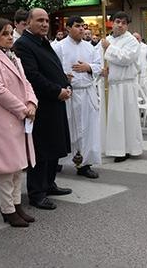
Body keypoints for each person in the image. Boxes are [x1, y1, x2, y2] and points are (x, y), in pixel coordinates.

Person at [0, 18, 38, 227]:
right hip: (2, 119)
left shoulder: (14, 57)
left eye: (11, 33)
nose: (10, 36)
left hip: (18, 117)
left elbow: (26, 82)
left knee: (17, 165)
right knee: (5, 168)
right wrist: (23, 110)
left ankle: (16, 204)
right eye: (5, 33)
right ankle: (7, 209)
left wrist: (32, 102)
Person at [14, 8, 72, 210]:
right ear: (28, 22)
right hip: (41, 104)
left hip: (55, 102)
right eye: (40, 20)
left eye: (47, 20)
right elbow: (32, 76)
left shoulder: (42, 41)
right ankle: (37, 193)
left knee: (54, 146)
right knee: (40, 149)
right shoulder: (23, 44)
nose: (45, 24)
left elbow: (54, 67)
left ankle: (49, 184)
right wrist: (57, 90)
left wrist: (65, 84)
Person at [53, 16, 102, 179]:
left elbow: (99, 66)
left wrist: (88, 67)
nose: (81, 29)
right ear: (68, 28)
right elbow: (52, 68)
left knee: (88, 129)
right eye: (77, 26)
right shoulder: (58, 47)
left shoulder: (90, 47)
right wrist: (62, 78)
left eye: (83, 26)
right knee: (68, 127)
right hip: (69, 94)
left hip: (86, 92)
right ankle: (60, 160)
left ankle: (85, 164)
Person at [101, 11, 143, 163]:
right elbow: (100, 59)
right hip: (110, 85)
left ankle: (127, 149)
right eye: (117, 21)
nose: (120, 25)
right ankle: (113, 147)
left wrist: (109, 48)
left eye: (124, 23)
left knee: (125, 119)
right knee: (113, 119)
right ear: (112, 22)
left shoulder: (131, 41)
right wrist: (102, 70)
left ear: (127, 25)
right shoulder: (107, 39)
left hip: (125, 85)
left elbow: (126, 58)